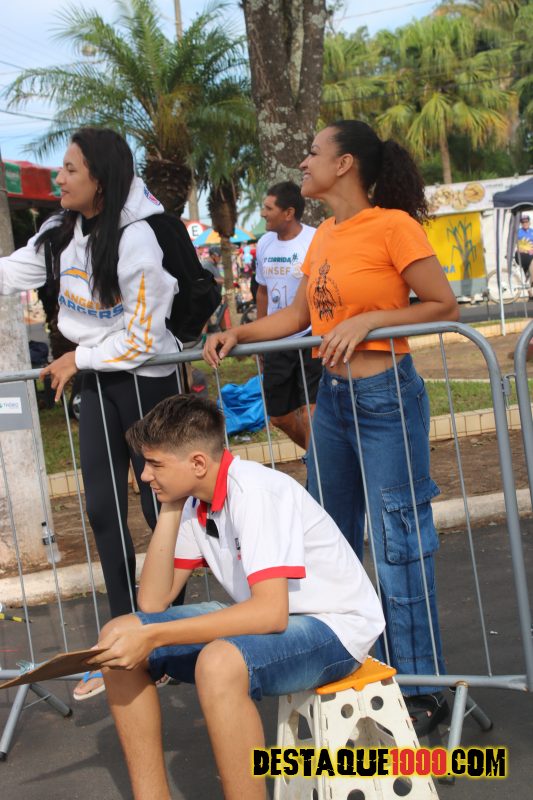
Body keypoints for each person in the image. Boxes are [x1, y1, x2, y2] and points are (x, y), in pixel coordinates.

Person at [204, 119, 460, 736]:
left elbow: (443, 304)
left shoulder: (393, 226)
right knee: (328, 542)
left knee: (398, 543)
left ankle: (421, 687)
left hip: (386, 396)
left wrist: (371, 320)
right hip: (335, 400)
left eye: (314, 151)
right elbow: (297, 315)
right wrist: (238, 332)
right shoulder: (323, 236)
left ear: (345, 164)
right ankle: (353, 672)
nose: (304, 160)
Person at [87, 394, 385, 800]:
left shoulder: (256, 493)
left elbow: (270, 614)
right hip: (274, 621)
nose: (143, 475)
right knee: (118, 638)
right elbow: (153, 603)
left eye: (155, 464)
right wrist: (170, 508)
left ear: (197, 463)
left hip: (335, 627)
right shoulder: (194, 501)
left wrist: (154, 636)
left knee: (219, 663)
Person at [0, 127, 182, 700]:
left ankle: (171, 637)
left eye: (71, 169)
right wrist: (83, 361)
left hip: (148, 381)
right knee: (103, 511)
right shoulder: (60, 232)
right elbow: (9, 274)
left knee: (161, 509)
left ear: (100, 181)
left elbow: (145, 337)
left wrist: (77, 358)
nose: (59, 178)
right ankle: (124, 640)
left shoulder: (137, 239)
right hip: (100, 380)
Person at [255, 181, 322, 449]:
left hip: (311, 336)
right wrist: (260, 336)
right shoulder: (264, 243)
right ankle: (317, 457)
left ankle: (318, 466)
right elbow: (262, 291)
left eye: (268, 208)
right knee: (279, 417)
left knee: (311, 414)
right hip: (277, 340)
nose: (263, 213)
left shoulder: (315, 239)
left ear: (289, 213)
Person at [516, 214, 533, 283]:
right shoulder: (518, 232)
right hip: (522, 255)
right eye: (523, 222)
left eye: (526, 222)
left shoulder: (532, 231)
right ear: (521, 223)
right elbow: (515, 246)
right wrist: (526, 250)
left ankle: (529, 280)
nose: (525, 223)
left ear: (529, 222)